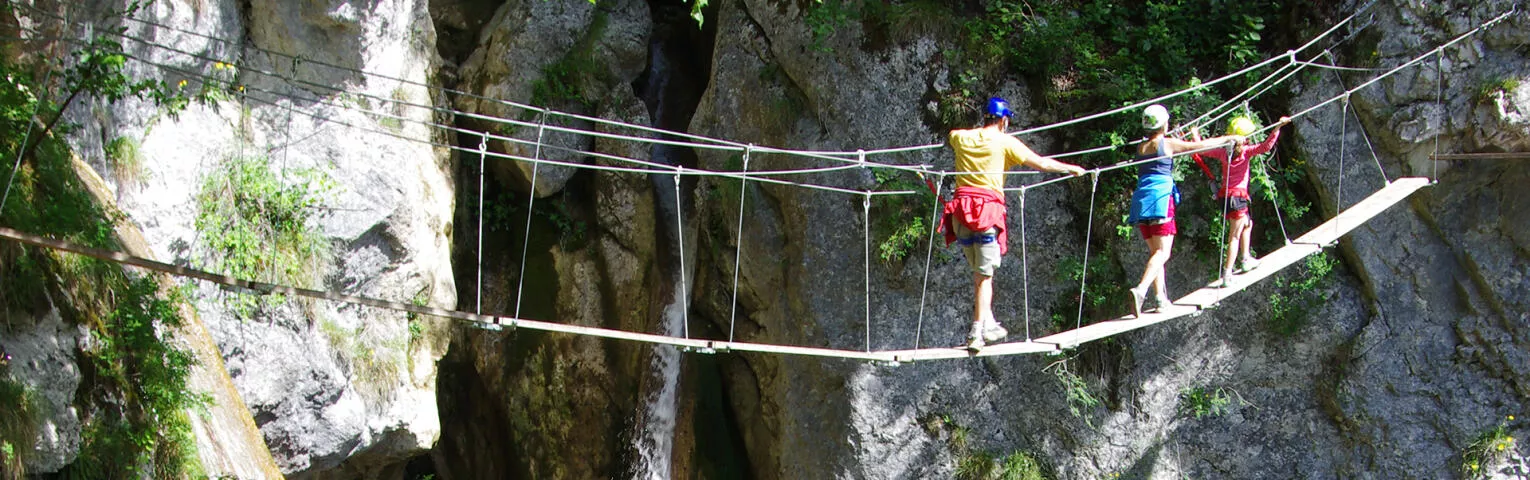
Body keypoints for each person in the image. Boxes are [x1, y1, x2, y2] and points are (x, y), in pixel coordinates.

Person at [944, 97, 1087, 349]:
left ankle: (989, 322)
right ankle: (977, 332)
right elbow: (1042, 163)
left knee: (979, 274)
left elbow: (952, 135)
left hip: (960, 216)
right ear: (1004, 120)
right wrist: (1071, 168)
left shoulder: (962, 137)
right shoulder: (1006, 142)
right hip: (985, 215)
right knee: (985, 277)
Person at [1127, 104, 1243, 317]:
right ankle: (1141, 290)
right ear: (1164, 124)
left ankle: (1160, 299)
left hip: (1140, 202)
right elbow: (1199, 146)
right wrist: (1229, 138)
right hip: (1161, 200)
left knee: (1156, 253)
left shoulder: (1140, 147)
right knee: (1163, 253)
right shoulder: (1167, 143)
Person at [1193, 115, 1291, 287]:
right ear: (1245, 138)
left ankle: (1245, 259)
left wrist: (1195, 135)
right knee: (1234, 237)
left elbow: (1202, 150)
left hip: (1226, 198)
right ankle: (1227, 274)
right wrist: (1277, 128)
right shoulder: (1246, 152)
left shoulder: (1223, 152)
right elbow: (1266, 147)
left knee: (1247, 224)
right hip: (1238, 197)